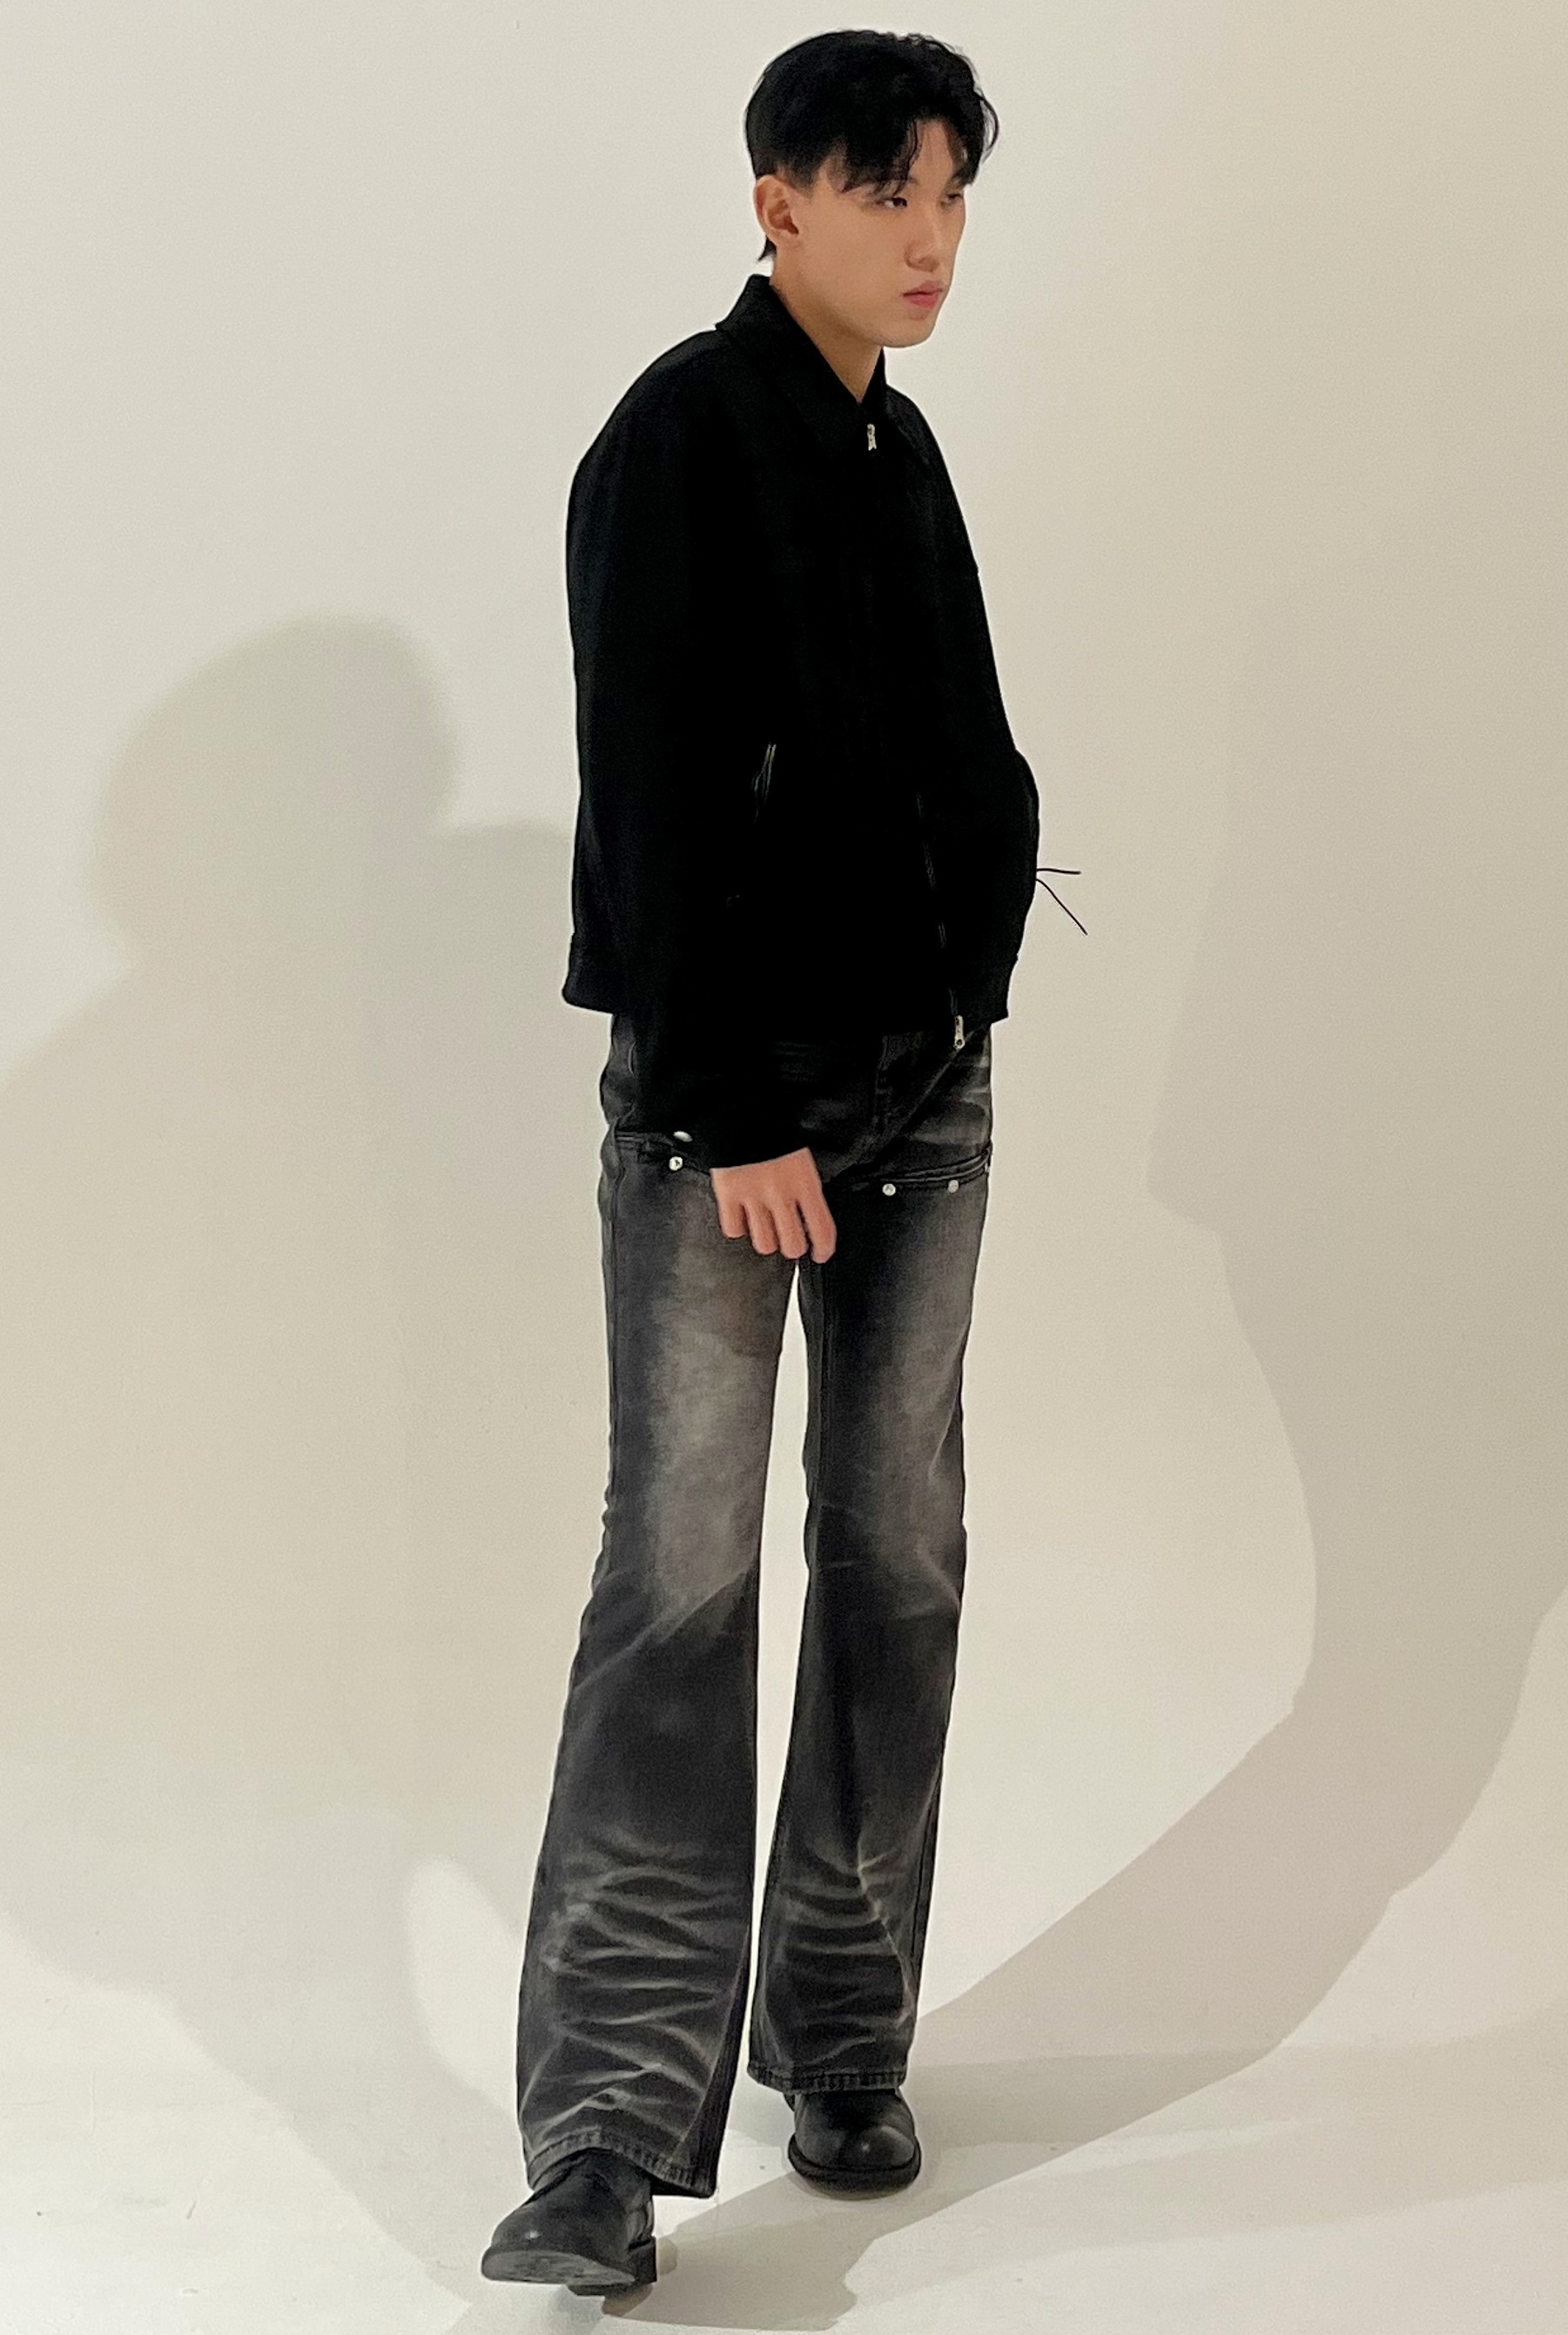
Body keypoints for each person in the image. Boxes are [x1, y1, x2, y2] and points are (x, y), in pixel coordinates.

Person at [481, 28, 1042, 2295]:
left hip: (922, 1098)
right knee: (680, 1587)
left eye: (951, 192)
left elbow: (957, 756)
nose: (929, 236)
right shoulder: (680, 437)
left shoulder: (897, 445)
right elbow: (645, 793)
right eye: (885, 189)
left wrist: (966, 976)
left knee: (899, 1562)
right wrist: (733, 1112)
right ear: (773, 200)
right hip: (732, 1114)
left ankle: (842, 2033)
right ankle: (608, 2137)